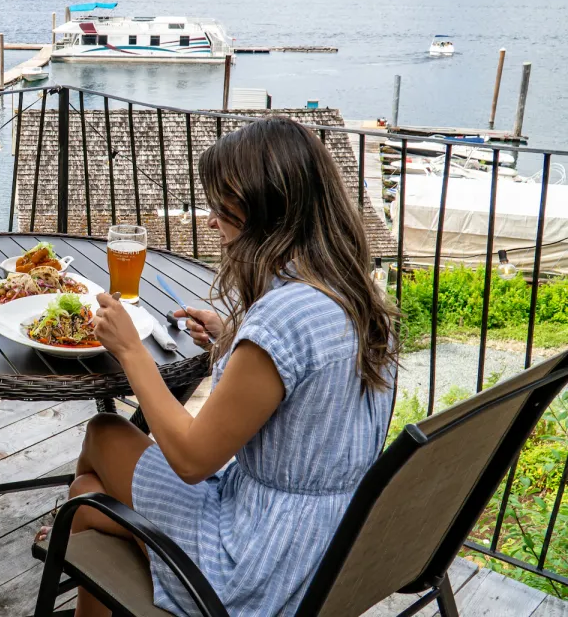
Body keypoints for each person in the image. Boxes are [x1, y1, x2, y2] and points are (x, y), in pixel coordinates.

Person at [45, 117, 399, 616]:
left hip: (257, 564)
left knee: (102, 437)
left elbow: (192, 460)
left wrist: (131, 351)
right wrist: (234, 342)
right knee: (86, 496)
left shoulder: (283, 317)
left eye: (222, 208)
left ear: (265, 211)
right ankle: (84, 520)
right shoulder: (357, 294)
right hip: (329, 544)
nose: (211, 221)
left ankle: (80, 523)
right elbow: (309, 391)